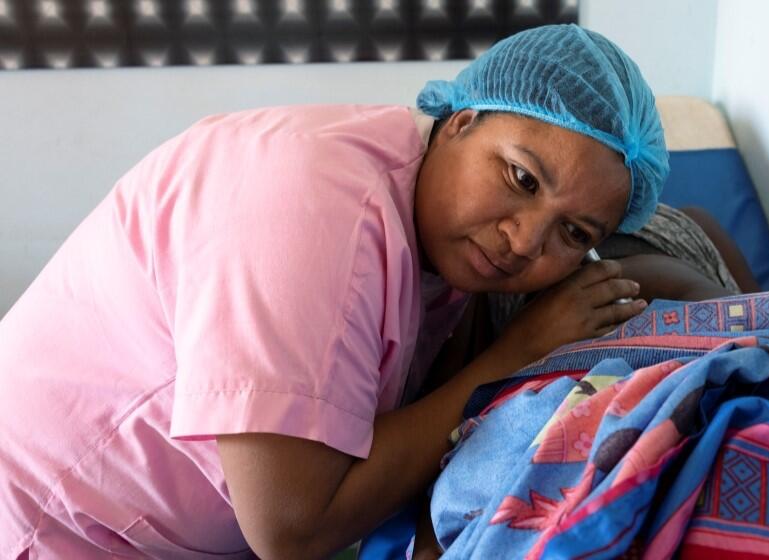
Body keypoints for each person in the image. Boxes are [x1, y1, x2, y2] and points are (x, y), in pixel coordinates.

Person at [0, 24, 720, 558]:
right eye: (521, 178)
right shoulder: (311, 211)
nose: (526, 240)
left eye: (572, 233)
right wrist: (516, 355)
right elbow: (291, 527)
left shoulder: (444, 243)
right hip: (48, 527)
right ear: (461, 120)